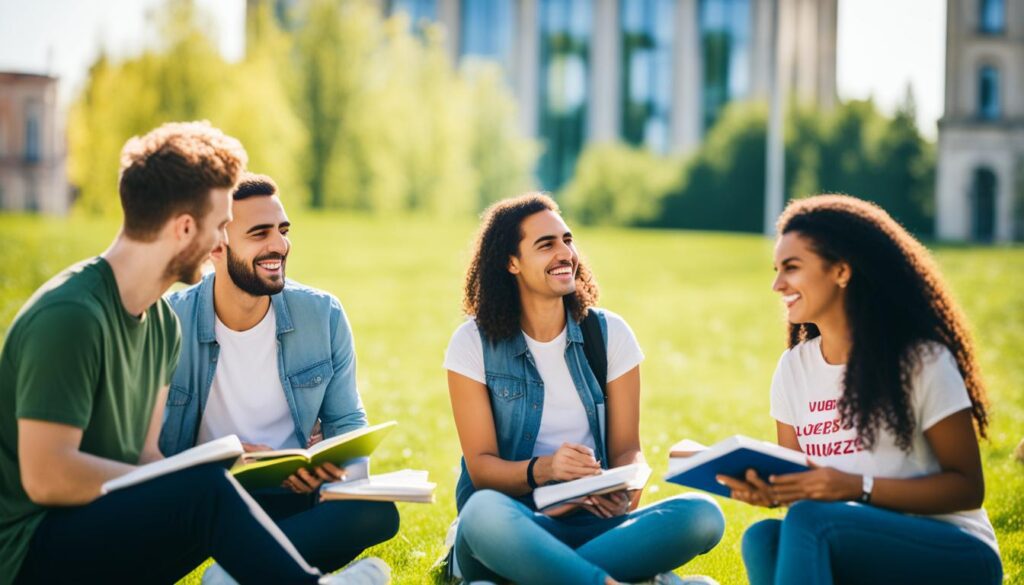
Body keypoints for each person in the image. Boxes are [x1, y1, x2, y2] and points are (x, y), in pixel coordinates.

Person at [0, 122, 387, 585]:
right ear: (187, 228)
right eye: (221, 225)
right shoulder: (71, 316)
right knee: (205, 488)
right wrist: (195, 480)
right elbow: (47, 477)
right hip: (29, 552)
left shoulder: (159, 324)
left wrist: (225, 468)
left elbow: (147, 459)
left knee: (208, 487)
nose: (220, 243)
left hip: (108, 528)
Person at [719, 194, 1002, 585]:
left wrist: (856, 487)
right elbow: (801, 487)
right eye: (776, 269)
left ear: (841, 270)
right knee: (762, 538)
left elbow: (968, 489)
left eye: (792, 268)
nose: (777, 284)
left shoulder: (920, 360)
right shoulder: (793, 369)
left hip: (955, 551)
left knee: (810, 521)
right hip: (855, 544)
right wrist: (771, 491)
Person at [444, 193, 725, 585]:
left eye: (567, 240)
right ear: (511, 263)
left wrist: (624, 492)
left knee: (702, 514)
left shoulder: (610, 335)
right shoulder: (472, 343)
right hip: (512, 528)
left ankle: (550, 575)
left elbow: (628, 450)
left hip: (592, 524)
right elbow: (482, 470)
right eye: (546, 245)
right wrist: (546, 470)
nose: (565, 253)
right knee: (481, 512)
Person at [159, 172, 399, 580]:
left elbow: (347, 424)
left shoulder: (323, 315)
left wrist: (335, 470)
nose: (279, 245)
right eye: (260, 233)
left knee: (377, 511)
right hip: (207, 499)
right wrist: (223, 459)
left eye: (283, 230)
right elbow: (146, 455)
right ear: (216, 246)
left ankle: (231, 575)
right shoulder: (168, 323)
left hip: (294, 496)